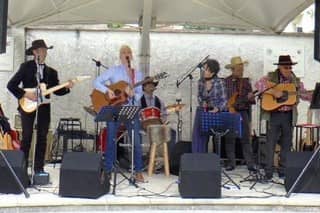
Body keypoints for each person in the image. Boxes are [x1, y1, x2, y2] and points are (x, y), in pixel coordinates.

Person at [7, 39, 74, 175]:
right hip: (27, 106)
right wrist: (26, 94)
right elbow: (11, 85)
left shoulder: (51, 72)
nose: (44, 52)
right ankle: (22, 168)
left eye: (45, 50)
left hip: (44, 108)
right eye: (41, 50)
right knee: (27, 136)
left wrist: (67, 87)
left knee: (42, 137)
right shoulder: (25, 67)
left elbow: (57, 91)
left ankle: (38, 169)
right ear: (34, 52)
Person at [255, 55, 312, 180]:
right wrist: (274, 92)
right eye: (286, 67)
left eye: (290, 67)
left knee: (286, 144)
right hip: (274, 115)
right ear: (280, 67)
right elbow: (258, 85)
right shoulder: (270, 77)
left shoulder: (295, 81)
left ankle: (283, 171)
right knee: (270, 143)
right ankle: (268, 172)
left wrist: (312, 95)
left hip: (288, 116)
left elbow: (304, 95)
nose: (288, 69)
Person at [93, 44, 144, 182]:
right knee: (110, 139)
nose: (126, 54)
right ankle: (108, 170)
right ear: (120, 56)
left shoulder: (137, 74)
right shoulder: (113, 71)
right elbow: (96, 82)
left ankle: (138, 171)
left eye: (129, 52)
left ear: (131, 56)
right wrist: (107, 91)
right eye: (123, 52)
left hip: (131, 109)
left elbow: (140, 94)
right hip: (114, 108)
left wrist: (134, 94)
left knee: (136, 141)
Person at [224, 56, 256, 172]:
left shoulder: (246, 82)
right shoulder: (225, 82)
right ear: (232, 69)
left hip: (243, 112)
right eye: (238, 70)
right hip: (231, 112)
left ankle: (250, 164)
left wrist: (250, 97)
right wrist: (227, 106)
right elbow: (222, 99)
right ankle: (231, 163)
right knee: (230, 139)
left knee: (246, 139)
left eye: (242, 69)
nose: (241, 72)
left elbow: (252, 101)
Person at [138, 76, 177, 156]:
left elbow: (164, 114)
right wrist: (141, 121)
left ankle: (167, 159)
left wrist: (163, 120)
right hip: (144, 125)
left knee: (172, 132)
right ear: (144, 87)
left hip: (157, 125)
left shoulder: (159, 101)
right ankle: (153, 156)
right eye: (148, 84)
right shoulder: (139, 101)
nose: (151, 86)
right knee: (154, 131)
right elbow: (136, 115)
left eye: (152, 84)